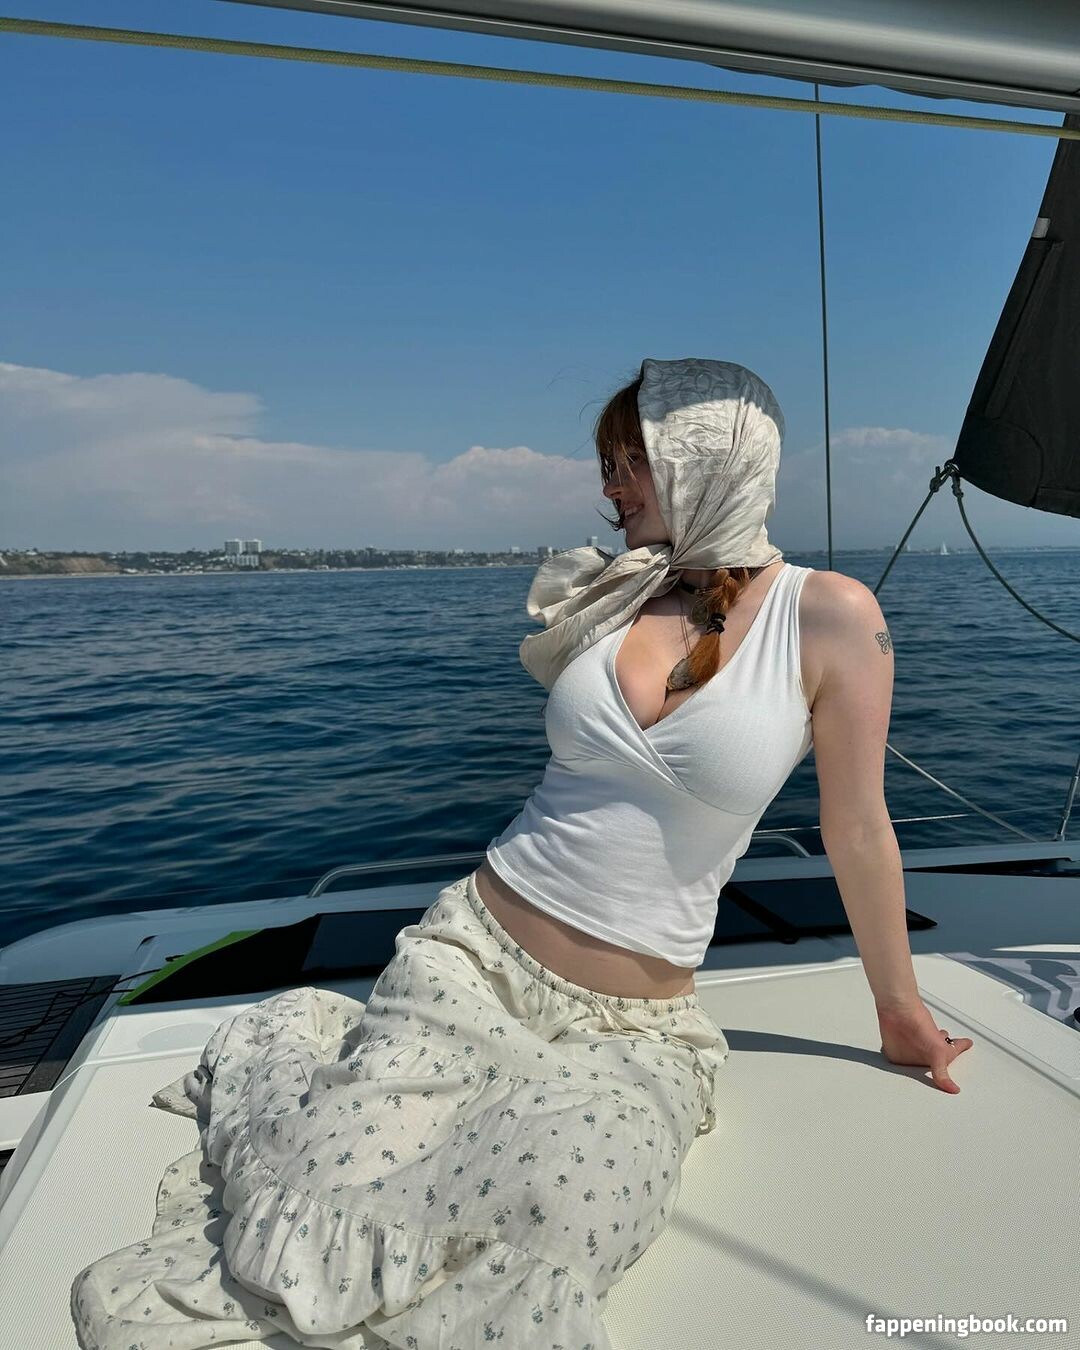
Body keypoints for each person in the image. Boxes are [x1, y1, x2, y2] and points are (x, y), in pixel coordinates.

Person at [71, 358, 971, 1350]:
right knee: (319, 1203)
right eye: (609, 463)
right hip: (469, 963)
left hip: (631, 1028)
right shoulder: (620, 592)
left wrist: (899, 1011)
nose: (610, 486)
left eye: (632, 460)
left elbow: (858, 829)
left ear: (707, 458)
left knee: (571, 1220)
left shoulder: (831, 615)